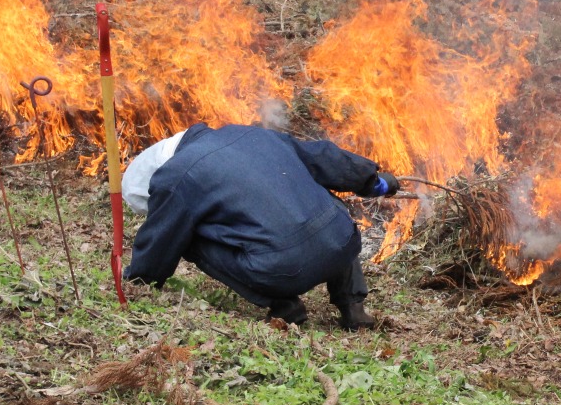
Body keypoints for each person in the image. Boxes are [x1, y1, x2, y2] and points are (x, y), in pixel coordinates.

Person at [121, 122, 400, 330]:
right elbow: (325, 159)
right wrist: (375, 182)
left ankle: (282, 304)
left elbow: (161, 239)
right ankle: (353, 306)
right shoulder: (251, 134)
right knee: (321, 203)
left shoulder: (177, 175)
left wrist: (139, 278)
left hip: (283, 271)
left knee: (185, 233)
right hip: (342, 241)